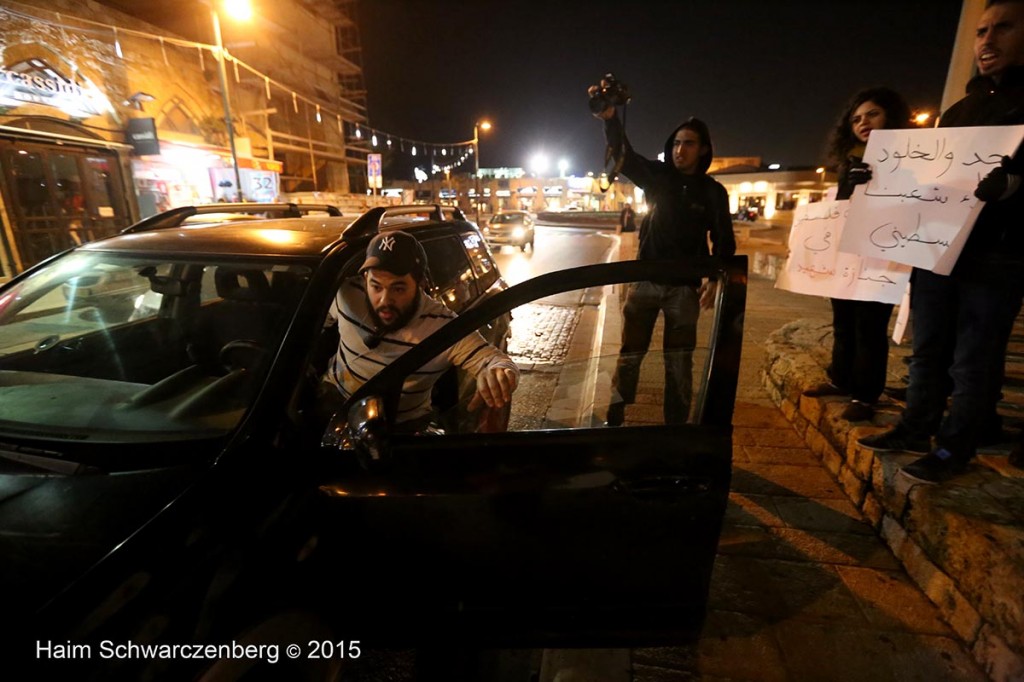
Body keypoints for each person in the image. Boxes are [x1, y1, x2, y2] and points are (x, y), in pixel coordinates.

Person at [858, 0, 1024, 483]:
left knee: (974, 356)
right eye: (981, 31)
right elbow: (927, 175)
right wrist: (872, 176)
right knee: (928, 347)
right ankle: (915, 426)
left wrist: (1013, 186)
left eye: (1004, 28)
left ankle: (956, 448)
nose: (987, 41)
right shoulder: (960, 109)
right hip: (936, 246)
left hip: (998, 253)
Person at [589, 89, 736, 426]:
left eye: (688, 144)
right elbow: (625, 155)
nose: (679, 150)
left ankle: (676, 430)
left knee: (679, 362)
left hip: (684, 290)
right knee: (629, 356)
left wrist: (715, 279)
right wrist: (611, 120)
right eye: (676, 143)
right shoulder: (657, 177)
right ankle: (615, 418)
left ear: (703, 150)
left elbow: (724, 240)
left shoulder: (713, 192)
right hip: (645, 283)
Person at [320, 231, 519, 430]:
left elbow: (495, 360)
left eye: (398, 289)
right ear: (365, 278)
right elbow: (318, 326)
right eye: (376, 286)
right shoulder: (346, 295)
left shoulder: (442, 326)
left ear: (420, 284)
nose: (385, 300)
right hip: (334, 403)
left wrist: (499, 373)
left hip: (402, 427)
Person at [803, 88, 911, 422]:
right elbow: (841, 210)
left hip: (880, 256)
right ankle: (841, 378)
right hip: (847, 256)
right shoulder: (848, 159)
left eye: (872, 114)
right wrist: (849, 185)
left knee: (870, 326)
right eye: (856, 118)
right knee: (844, 322)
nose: (863, 122)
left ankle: (865, 395)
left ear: (891, 115)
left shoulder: (909, 158)